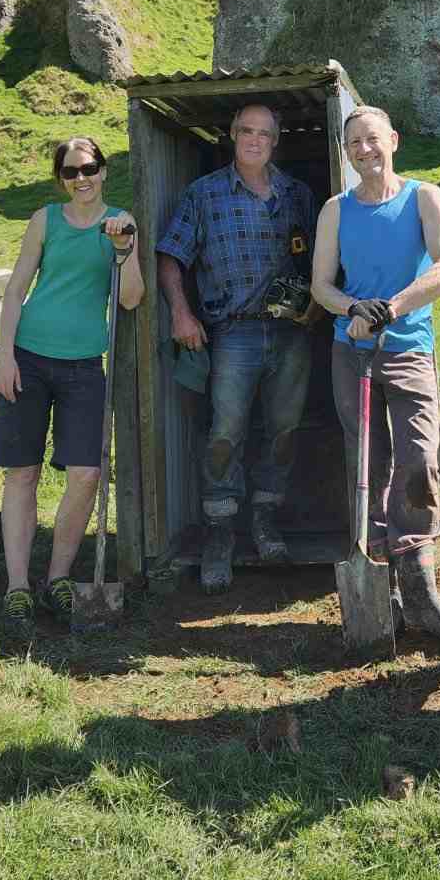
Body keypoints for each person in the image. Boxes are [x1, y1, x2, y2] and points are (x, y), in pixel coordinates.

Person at [311, 105, 440, 646]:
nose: (364, 150)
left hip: (408, 349)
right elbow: (320, 285)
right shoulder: (335, 210)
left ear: (394, 140)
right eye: (354, 143)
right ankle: (380, 591)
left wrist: (394, 307)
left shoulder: (423, 197)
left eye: (372, 140)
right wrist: (353, 309)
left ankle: (422, 591)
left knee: (420, 458)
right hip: (352, 352)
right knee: (366, 463)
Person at [157, 104, 318, 595]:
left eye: (264, 133)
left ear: (275, 141)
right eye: (245, 131)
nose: (254, 139)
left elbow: (323, 255)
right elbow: (170, 257)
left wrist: (318, 308)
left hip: (291, 332)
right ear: (231, 136)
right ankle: (219, 534)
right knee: (225, 433)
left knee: (286, 431)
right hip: (234, 331)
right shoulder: (204, 194)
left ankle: (266, 522)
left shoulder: (298, 194)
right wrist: (181, 314)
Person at [0, 137, 144, 640]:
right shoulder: (45, 221)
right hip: (30, 360)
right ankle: (17, 586)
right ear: (61, 178)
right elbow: (16, 290)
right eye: (72, 172)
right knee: (22, 473)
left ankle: (58, 577)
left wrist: (124, 248)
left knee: (85, 474)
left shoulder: (120, 224)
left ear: (104, 171)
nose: (82, 179)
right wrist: (5, 357)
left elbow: (130, 298)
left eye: (90, 169)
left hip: (83, 365)